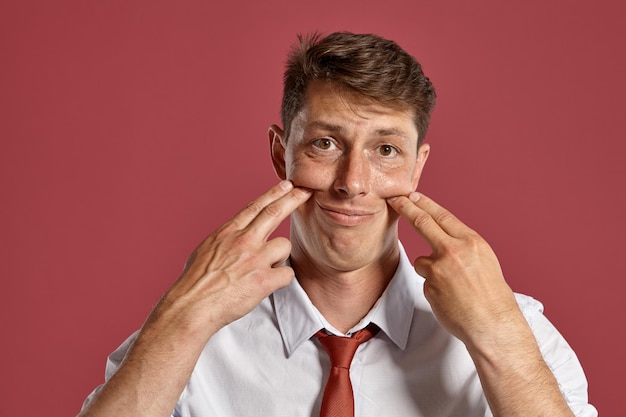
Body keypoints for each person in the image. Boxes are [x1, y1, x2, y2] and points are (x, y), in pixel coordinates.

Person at [78, 32, 597, 417]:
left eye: (386, 150)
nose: (352, 182)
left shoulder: (514, 330)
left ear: (417, 168)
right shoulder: (191, 334)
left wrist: (499, 336)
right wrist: (184, 317)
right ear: (282, 154)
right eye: (324, 143)